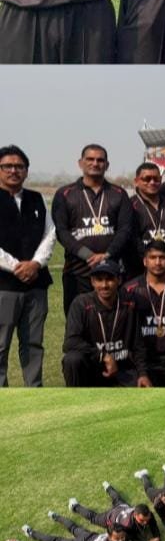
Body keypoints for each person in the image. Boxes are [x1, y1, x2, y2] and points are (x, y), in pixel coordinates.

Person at [52, 144, 133, 314]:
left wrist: (108, 254)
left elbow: (125, 230)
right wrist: (87, 255)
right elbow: (61, 231)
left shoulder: (119, 193)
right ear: (80, 163)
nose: (95, 163)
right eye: (90, 159)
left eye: (100, 160)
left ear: (107, 165)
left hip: (111, 272)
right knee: (78, 321)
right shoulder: (64, 193)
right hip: (77, 273)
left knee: (114, 320)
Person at [0, 145, 55, 386]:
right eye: (7, 166)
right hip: (4, 285)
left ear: (26, 170)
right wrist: (16, 267)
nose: (13, 170)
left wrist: (35, 264)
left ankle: (33, 393)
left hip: (36, 284)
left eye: (19, 166)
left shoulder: (37, 199)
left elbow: (50, 234)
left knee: (33, 344)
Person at [61, 261, 145, 387]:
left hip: (122, 368)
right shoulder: (81, 304)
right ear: (92, 282)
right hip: (92, 367)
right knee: (72, 359)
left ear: (119, 280)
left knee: (142, 395)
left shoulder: (129, 304)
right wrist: (103, 356)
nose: (104, 285)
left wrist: (143, 374)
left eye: (109, 279)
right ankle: (75, 397)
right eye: (99, 280)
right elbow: (70, 342)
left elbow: (138, 344)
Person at [122, 240, 165, 387]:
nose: (158, 262)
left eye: (162, 257)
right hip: (140, 362)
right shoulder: (129, 290)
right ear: (145, 261)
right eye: (153, 257)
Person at [127, 162, 165, 273]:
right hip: (141, 267)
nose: (152, 182)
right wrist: (150, 260)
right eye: (147, 179)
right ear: (136, 181)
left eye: (156, 179)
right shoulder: (130, 205)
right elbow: (132, 239)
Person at [70, 482, 161, 541]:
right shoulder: (127, 525)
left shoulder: (148, 514)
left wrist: (157, 537)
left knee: (117, 498)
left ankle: (108, 487)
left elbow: (154, 525)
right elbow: (133, 539)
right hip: (111, 516)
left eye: (147, 520)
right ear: (135, 515)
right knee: (93, 518)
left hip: (122, 507)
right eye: (142, 520)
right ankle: (75, 506)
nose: (145, 522)